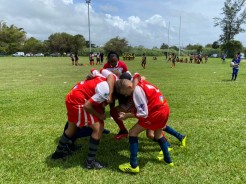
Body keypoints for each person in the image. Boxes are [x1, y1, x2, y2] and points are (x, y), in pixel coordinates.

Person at [115, 74, 184, 173]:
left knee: (132, 132)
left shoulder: (136, 92)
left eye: (125, 93)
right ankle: (168, 160)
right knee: (158, 135)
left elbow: (143, 113)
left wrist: (126, 116)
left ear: (129, 87)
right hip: (164, 108)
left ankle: (133, 165)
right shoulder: (139, 81)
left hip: (155, 113)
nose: (126, 95)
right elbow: (138, 75)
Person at [51, 69, 115, 170]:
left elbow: (97, 71)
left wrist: (88, 78)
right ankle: (90, 162)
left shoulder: (100, 76)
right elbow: (87, 106)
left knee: (71, 128)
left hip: (71, 96)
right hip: (79, 102)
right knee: (98, 128)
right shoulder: (106, 88)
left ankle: (58, 153)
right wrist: (99, 115)